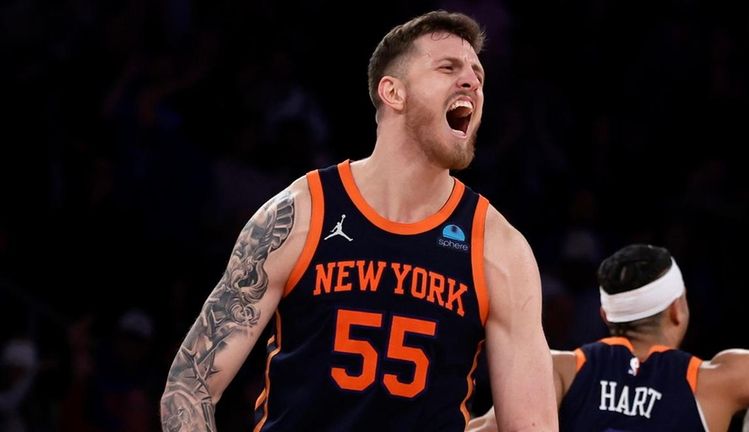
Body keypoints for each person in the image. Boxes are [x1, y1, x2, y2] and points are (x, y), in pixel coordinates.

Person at [160, 10, 558, 432]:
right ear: (393, 92)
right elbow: (190, 384)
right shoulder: (299, 213)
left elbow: (532, 426)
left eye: (478, 73)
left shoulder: (499, 247)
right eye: (448, 67)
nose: (472, 81)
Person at [467, 243, 749, 432]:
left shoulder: (559, 370)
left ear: (606, 317)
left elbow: (484, 428)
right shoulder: (717, 380)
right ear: (677, 309)